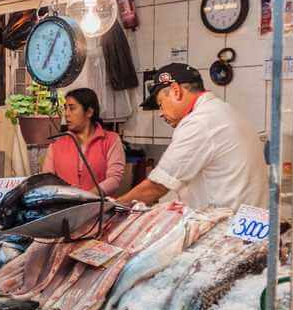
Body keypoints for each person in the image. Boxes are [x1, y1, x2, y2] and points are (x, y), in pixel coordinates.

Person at [116, 63, 267, 210]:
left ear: (176, 90)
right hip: (246, 221)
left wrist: (112, 207)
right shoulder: (224, 110)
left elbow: (157, 186)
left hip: (227, 228)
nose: (161, 113)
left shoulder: (200, 121)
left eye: (161, 104)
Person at [42, 88, 125, 195]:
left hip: (99, 208)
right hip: (65, 208)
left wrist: (85, 197)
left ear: (89, 112)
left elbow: (114, 179)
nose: (66, 114)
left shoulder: (111, 140)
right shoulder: (56, 145)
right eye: (65, 108)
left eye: (72, 108)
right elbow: (47, 181)